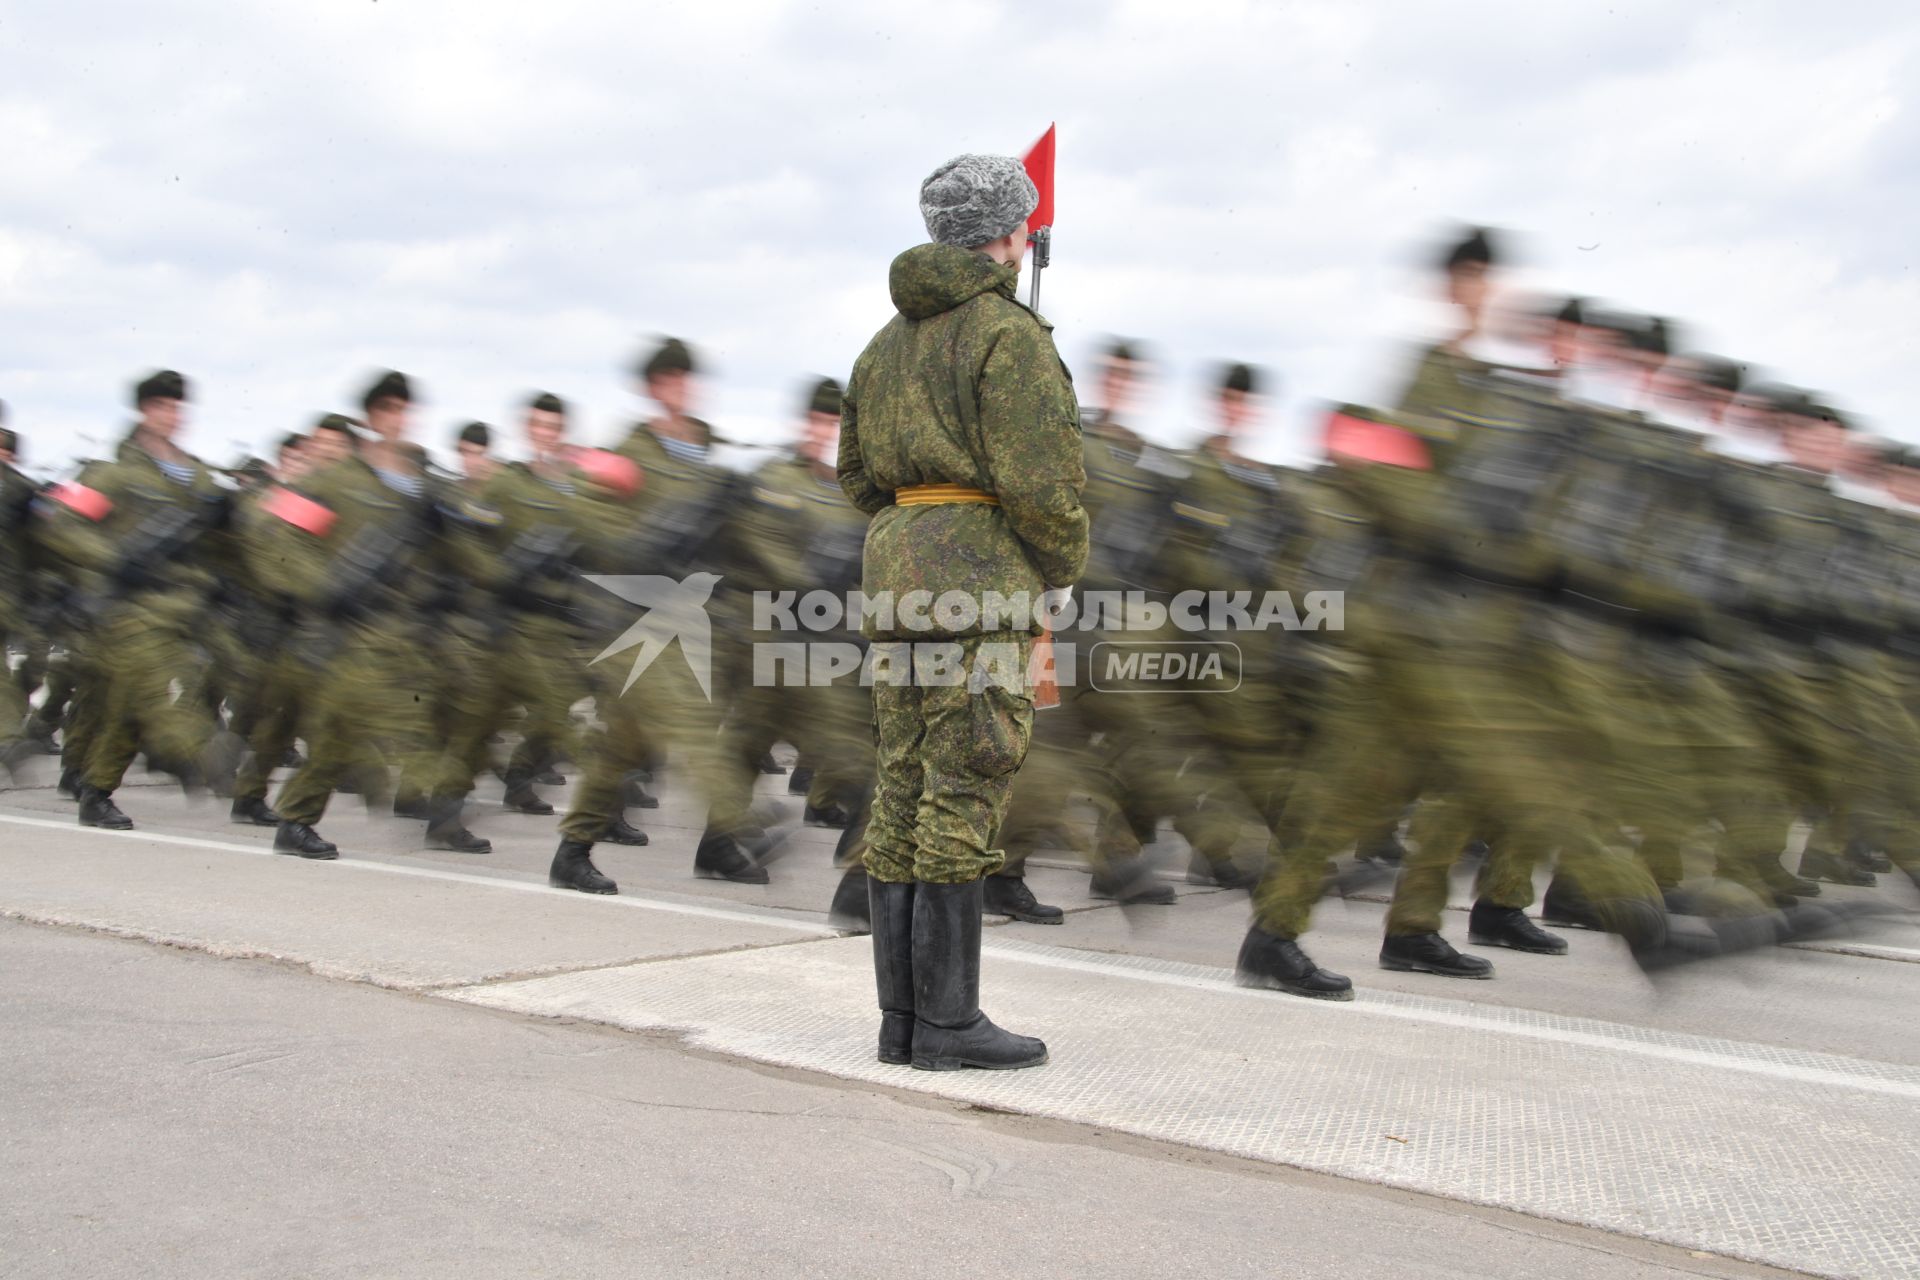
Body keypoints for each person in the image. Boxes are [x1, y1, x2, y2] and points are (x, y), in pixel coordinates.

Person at [839, 153, 1087, 1071]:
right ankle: (949, 1023)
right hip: (981, 583)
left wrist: (922, 526)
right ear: (1011, 233)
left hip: (898, 578)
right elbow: (1042, 479)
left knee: (902, 785)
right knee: (968, 781)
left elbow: (857, 475)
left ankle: (901, 1023)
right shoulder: (1006, 332)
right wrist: (1057, 566)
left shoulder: (882, 343)